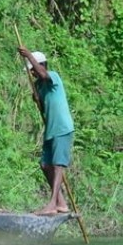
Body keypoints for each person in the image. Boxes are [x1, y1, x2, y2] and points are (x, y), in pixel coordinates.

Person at [18, 46, 75, 215]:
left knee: (58, 165)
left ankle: (52, 204)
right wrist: (37, 100)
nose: (33, 74)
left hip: (62, 128)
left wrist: (28, 55)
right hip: (51, 129)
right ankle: (61, 203)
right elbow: (44, 108)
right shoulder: (39, 86)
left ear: (41, 65)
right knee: (45, 165)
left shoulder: (53, 76)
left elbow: (43, 74)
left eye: (33, 70)